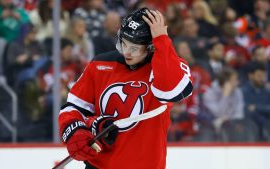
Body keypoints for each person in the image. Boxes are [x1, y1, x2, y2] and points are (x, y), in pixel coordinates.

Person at [58, 8, 193, 169]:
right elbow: (73, 107)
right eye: (123, 44)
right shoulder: (100, 64)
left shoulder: (167, 66)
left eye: (134, 48)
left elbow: (170, 91)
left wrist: (162, 41)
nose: (127, 52)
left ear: (151, 47)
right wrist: (76, 133)